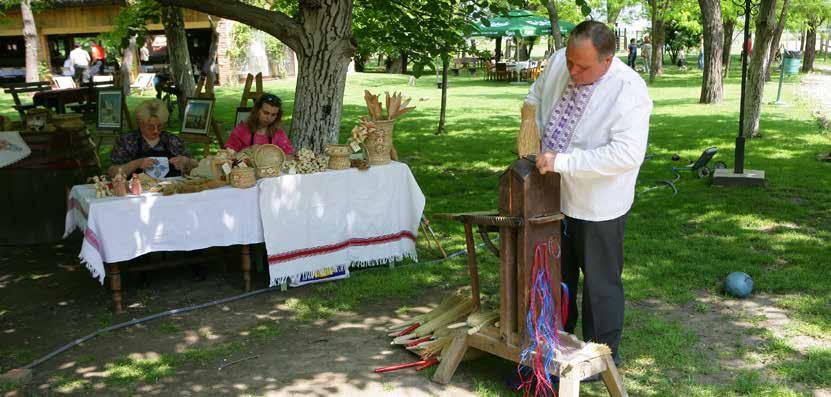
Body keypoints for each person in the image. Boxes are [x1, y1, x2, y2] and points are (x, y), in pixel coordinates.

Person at [526, 20, 652, 371]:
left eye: (583, 67)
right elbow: (535, 97)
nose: (573, 71)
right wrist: (528, 123)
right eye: (570, 61)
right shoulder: (557, 63)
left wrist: (563, 161)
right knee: (555, 279)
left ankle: (601, 359)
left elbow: (626, 155)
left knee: (600, 286)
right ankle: (553, 351)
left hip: (600, 206)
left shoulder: (629, 89)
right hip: (551, 198)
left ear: (608, 60)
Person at [109, 99, 197, 178]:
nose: (155, 131)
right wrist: (137, 163)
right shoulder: (127, 141)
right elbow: (112, 172)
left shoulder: (172, 141)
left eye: (159, 126)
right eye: (150, 127)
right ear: (140, 124)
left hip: (171, 192)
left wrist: (186, 162)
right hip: (138, 192)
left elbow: (196, 167)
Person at [225, 93, 294, 155]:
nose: (269, 118)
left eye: (273, 115)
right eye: (266, 113)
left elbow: (288, 155)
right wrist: (246, 151)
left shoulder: (279, 134)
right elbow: (229, 153)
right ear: (257, 110)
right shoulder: (241, 130)